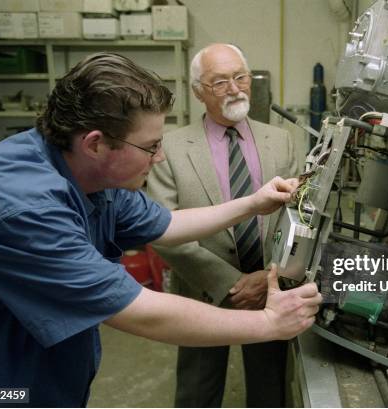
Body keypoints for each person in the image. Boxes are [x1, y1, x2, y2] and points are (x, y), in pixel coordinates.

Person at [0, 52, 321, 408]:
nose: (160, 156)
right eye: (150, 147)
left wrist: (253, 203)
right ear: (96, 143)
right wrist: (270, 323)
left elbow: (167, 224)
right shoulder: (20, 206)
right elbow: (140, 311)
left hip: (49, 375)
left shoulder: (93, 175)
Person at [146, 43, 299, 407]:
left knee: (271, 388)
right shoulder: (170, 147)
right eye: (219, 82)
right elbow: (161, 229)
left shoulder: (281, 140)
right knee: (198, 390)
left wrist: (270, 275)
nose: (234, 88)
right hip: (203, 288)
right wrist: (228, 284)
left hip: (268, 287)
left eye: (240, 77)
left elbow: (297, 218)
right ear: (199, 91)